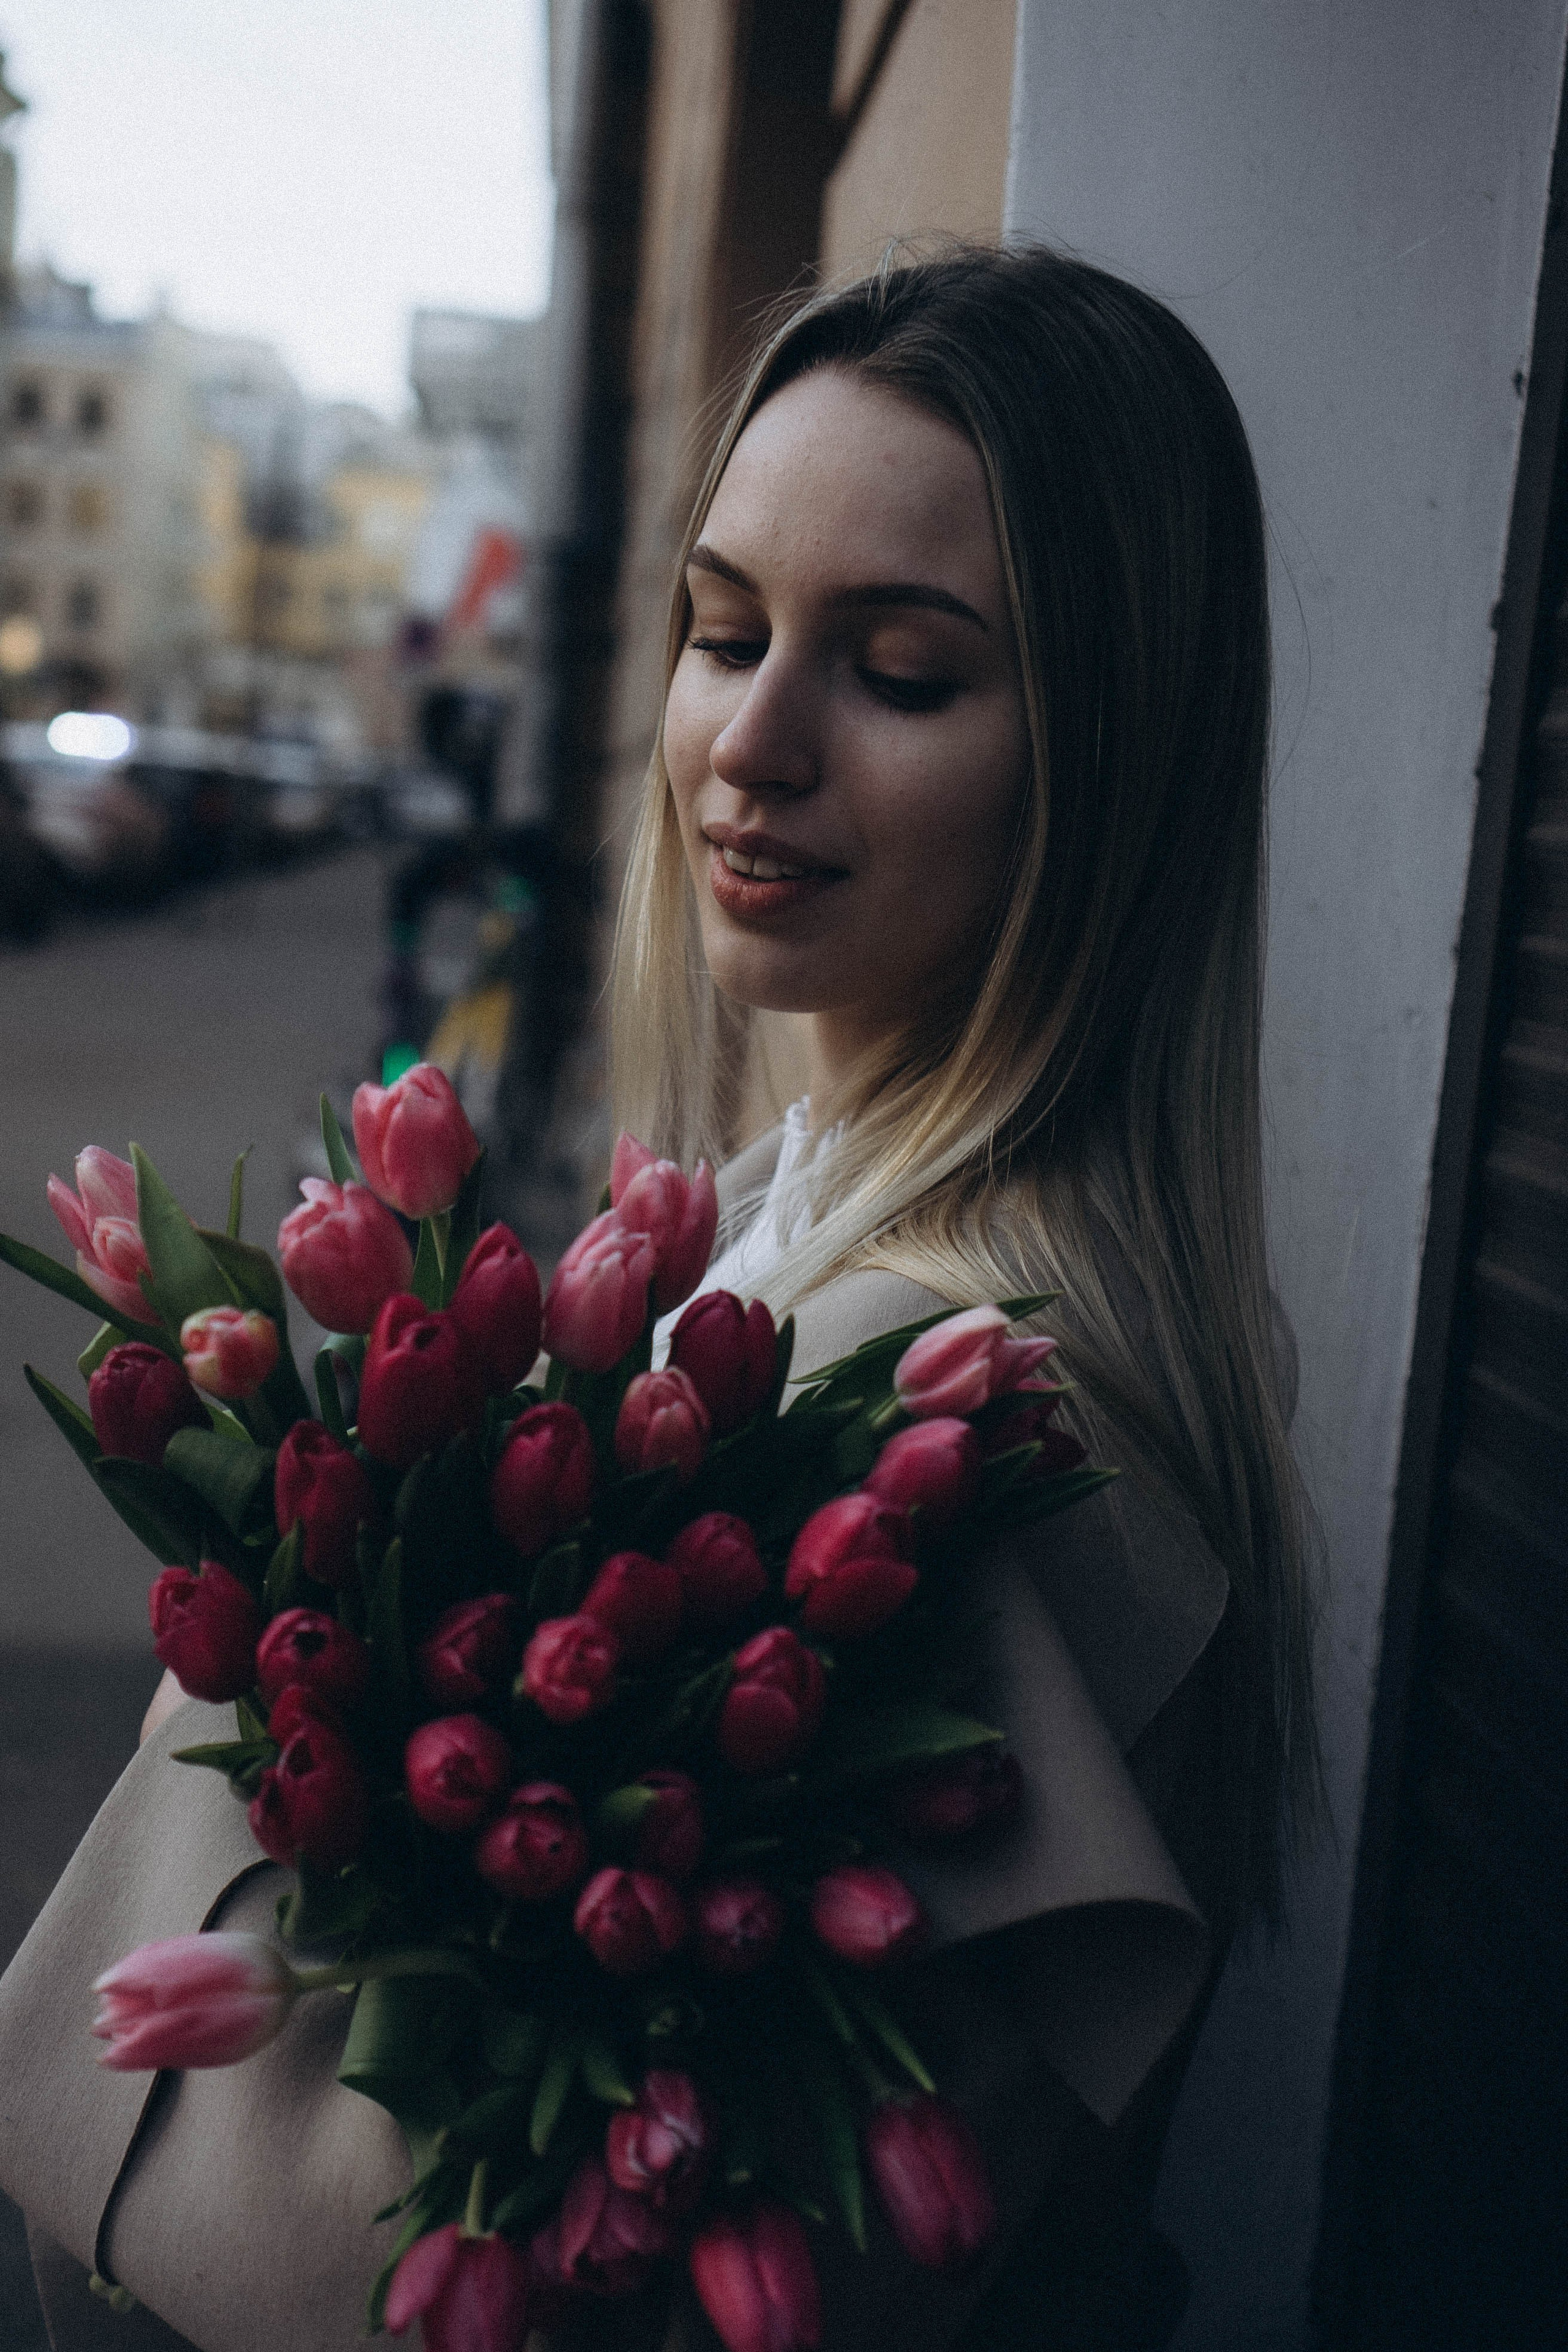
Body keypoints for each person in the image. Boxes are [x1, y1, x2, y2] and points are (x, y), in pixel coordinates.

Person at [0, 246, 1317, 2352]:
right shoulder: (756, 1248)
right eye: (722, 631)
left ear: (1119, 759)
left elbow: (418, 2264)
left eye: (900, 674)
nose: (748, 740)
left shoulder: (947, 1407)